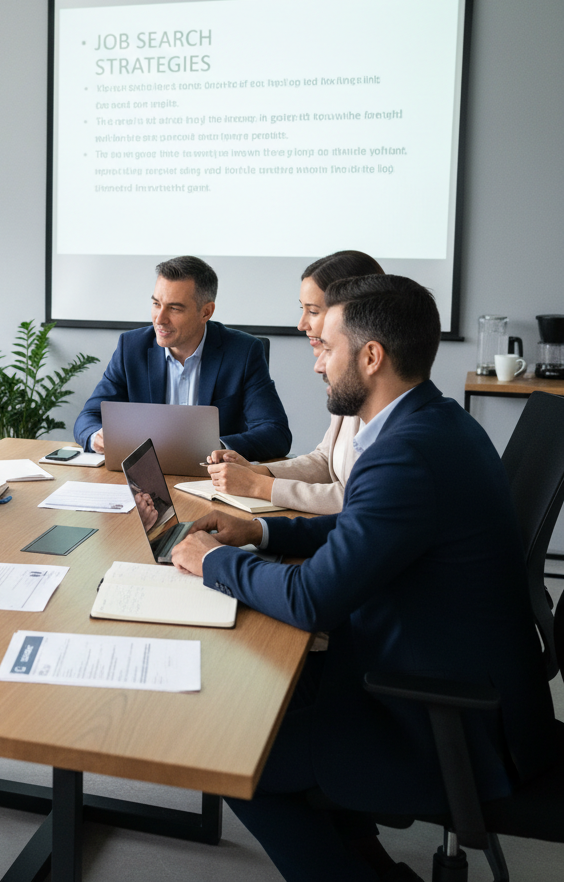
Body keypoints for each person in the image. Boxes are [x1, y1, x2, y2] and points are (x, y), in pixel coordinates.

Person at [171, 274, 555, 882]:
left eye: (326, 347)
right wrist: (263, 534)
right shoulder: (433, 423)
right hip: (455, 673)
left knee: (231, 756)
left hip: (443, 718)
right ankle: (366, 861)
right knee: (268, 690)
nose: (318, 363)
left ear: (371, 357)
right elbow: (367, 534)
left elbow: (313, 599)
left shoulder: (406, 453)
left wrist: (212, 561)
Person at [206, 250, 384, 514]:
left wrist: (259, 486)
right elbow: (325, 460)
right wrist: (258, 472)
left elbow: (357, 497)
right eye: (302, 309)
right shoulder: (349, 381)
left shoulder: (381, 395)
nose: (301, 324)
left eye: (312, 311)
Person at [73, 256, 291, 461]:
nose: (159, 319)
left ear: (206, 312)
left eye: (174, 308)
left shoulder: (243, 352)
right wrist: (96, 437)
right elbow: (89, 417)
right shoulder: (131, 348)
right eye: (156, 304)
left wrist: (217, 449)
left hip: (210, 479)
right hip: (146, 476)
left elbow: (275, 432)